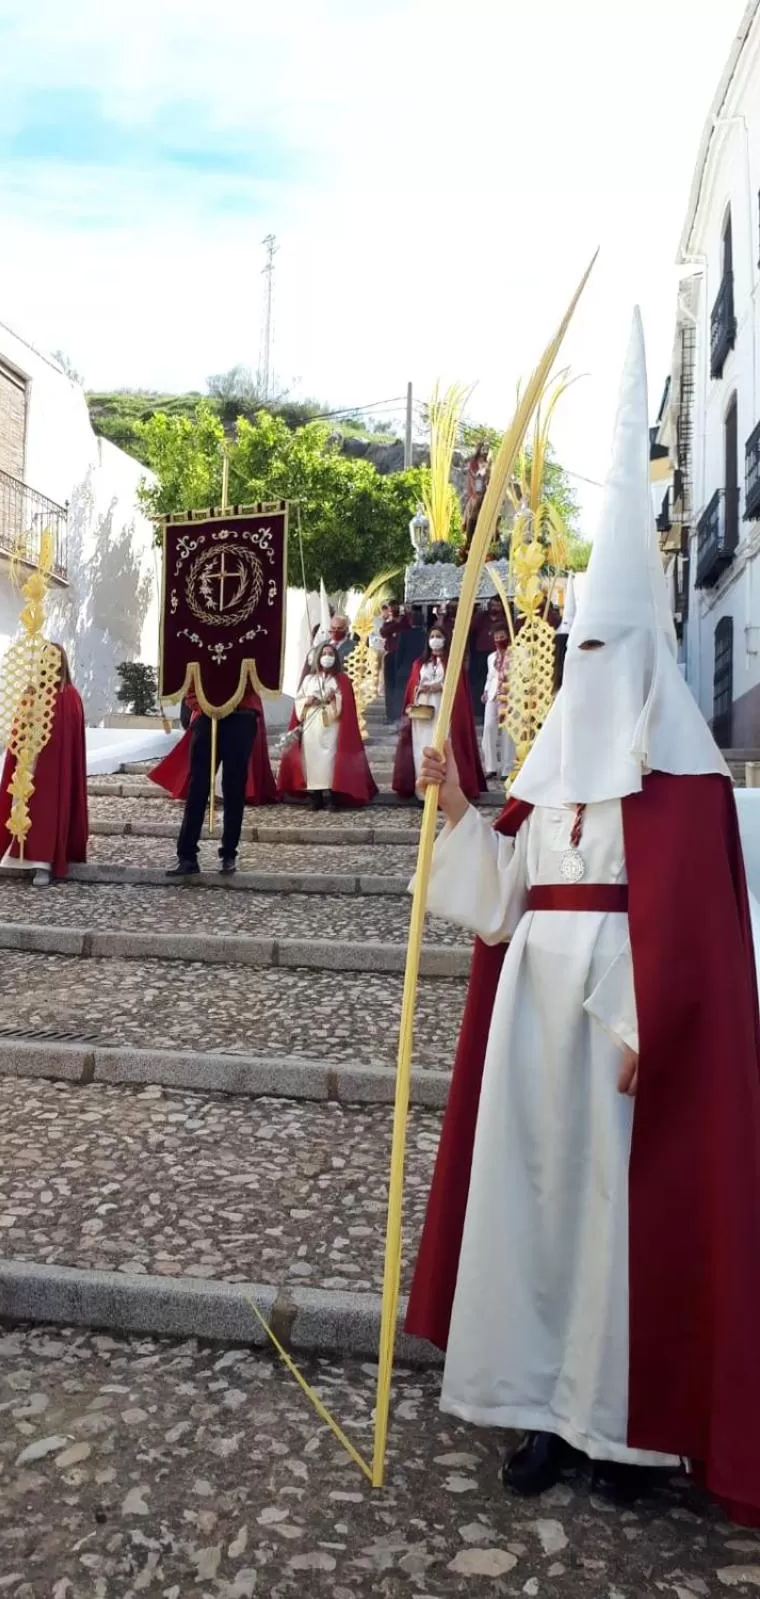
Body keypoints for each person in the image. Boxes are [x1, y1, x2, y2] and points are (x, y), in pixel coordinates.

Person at [405, 312, 760, 1523]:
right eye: (585, 645)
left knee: (617, 1225)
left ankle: (624, 1431)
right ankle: (541, 1414)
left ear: (650, 658)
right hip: (529, 1023)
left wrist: (646, 1023)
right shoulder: (546, 780)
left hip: (622, 1034)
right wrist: (459, 812)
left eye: (617, 647)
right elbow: (501, 902)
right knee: (537, 1211)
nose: (598, 667)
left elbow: (700, 942)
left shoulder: (690, 787)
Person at [0, 644, 88, 887]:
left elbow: (68, 739)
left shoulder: (69, 696)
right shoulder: (32, 693)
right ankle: (18, 853)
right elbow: (19, 727)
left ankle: (43, 862)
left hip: (54, 769)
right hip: (29, 762)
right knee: (23, 807)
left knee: (47, 812)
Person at [166, 687, 263, 877]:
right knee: (197, 789)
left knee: (234, 789)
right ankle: (187, 856)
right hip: (207, 717)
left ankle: (229, 853)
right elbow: (192, 679)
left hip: (240, 716)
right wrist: (200, 703)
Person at [277, 639, 377, 809]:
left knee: (331, 759)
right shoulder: (309, 679)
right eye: (324, 654)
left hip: (332, 724)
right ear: (318, 657)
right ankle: (316, 797)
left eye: (330, 654)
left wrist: (334, 698)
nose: (327, 657)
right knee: (312, 759)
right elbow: (299, 699)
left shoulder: (341, 679)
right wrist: (308, 700)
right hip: (312, 723)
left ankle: (333, 795)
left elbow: (345, 702)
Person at [391, 626, 485, 802]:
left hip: (443, 707)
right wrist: (420, 689)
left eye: (439, 636)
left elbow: (456, 686)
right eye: (432, 636)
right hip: (423, 710)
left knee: (442, 747)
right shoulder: (420, 664)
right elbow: (413, 686)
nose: (435, 639)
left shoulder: (452, 663)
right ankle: (424, 794)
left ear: (445, 639)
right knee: (422, 747)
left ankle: (443, 794)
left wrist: (438, 686)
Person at [150, 686, 277, 808]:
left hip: (239, 707)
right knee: (201, 775)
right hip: (207, 705)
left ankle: (230, 794)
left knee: (234, 777)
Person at [481, 622, 513, 780]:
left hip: (510, 695)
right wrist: (486, 691)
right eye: (496, 637)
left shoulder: (517, 654)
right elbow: (490, 676)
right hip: (494, 694)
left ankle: (507, 768)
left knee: (508, 731)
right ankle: (490, 767)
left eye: (502, 636)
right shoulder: (491, 657)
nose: (499, 639)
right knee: (488, 728)